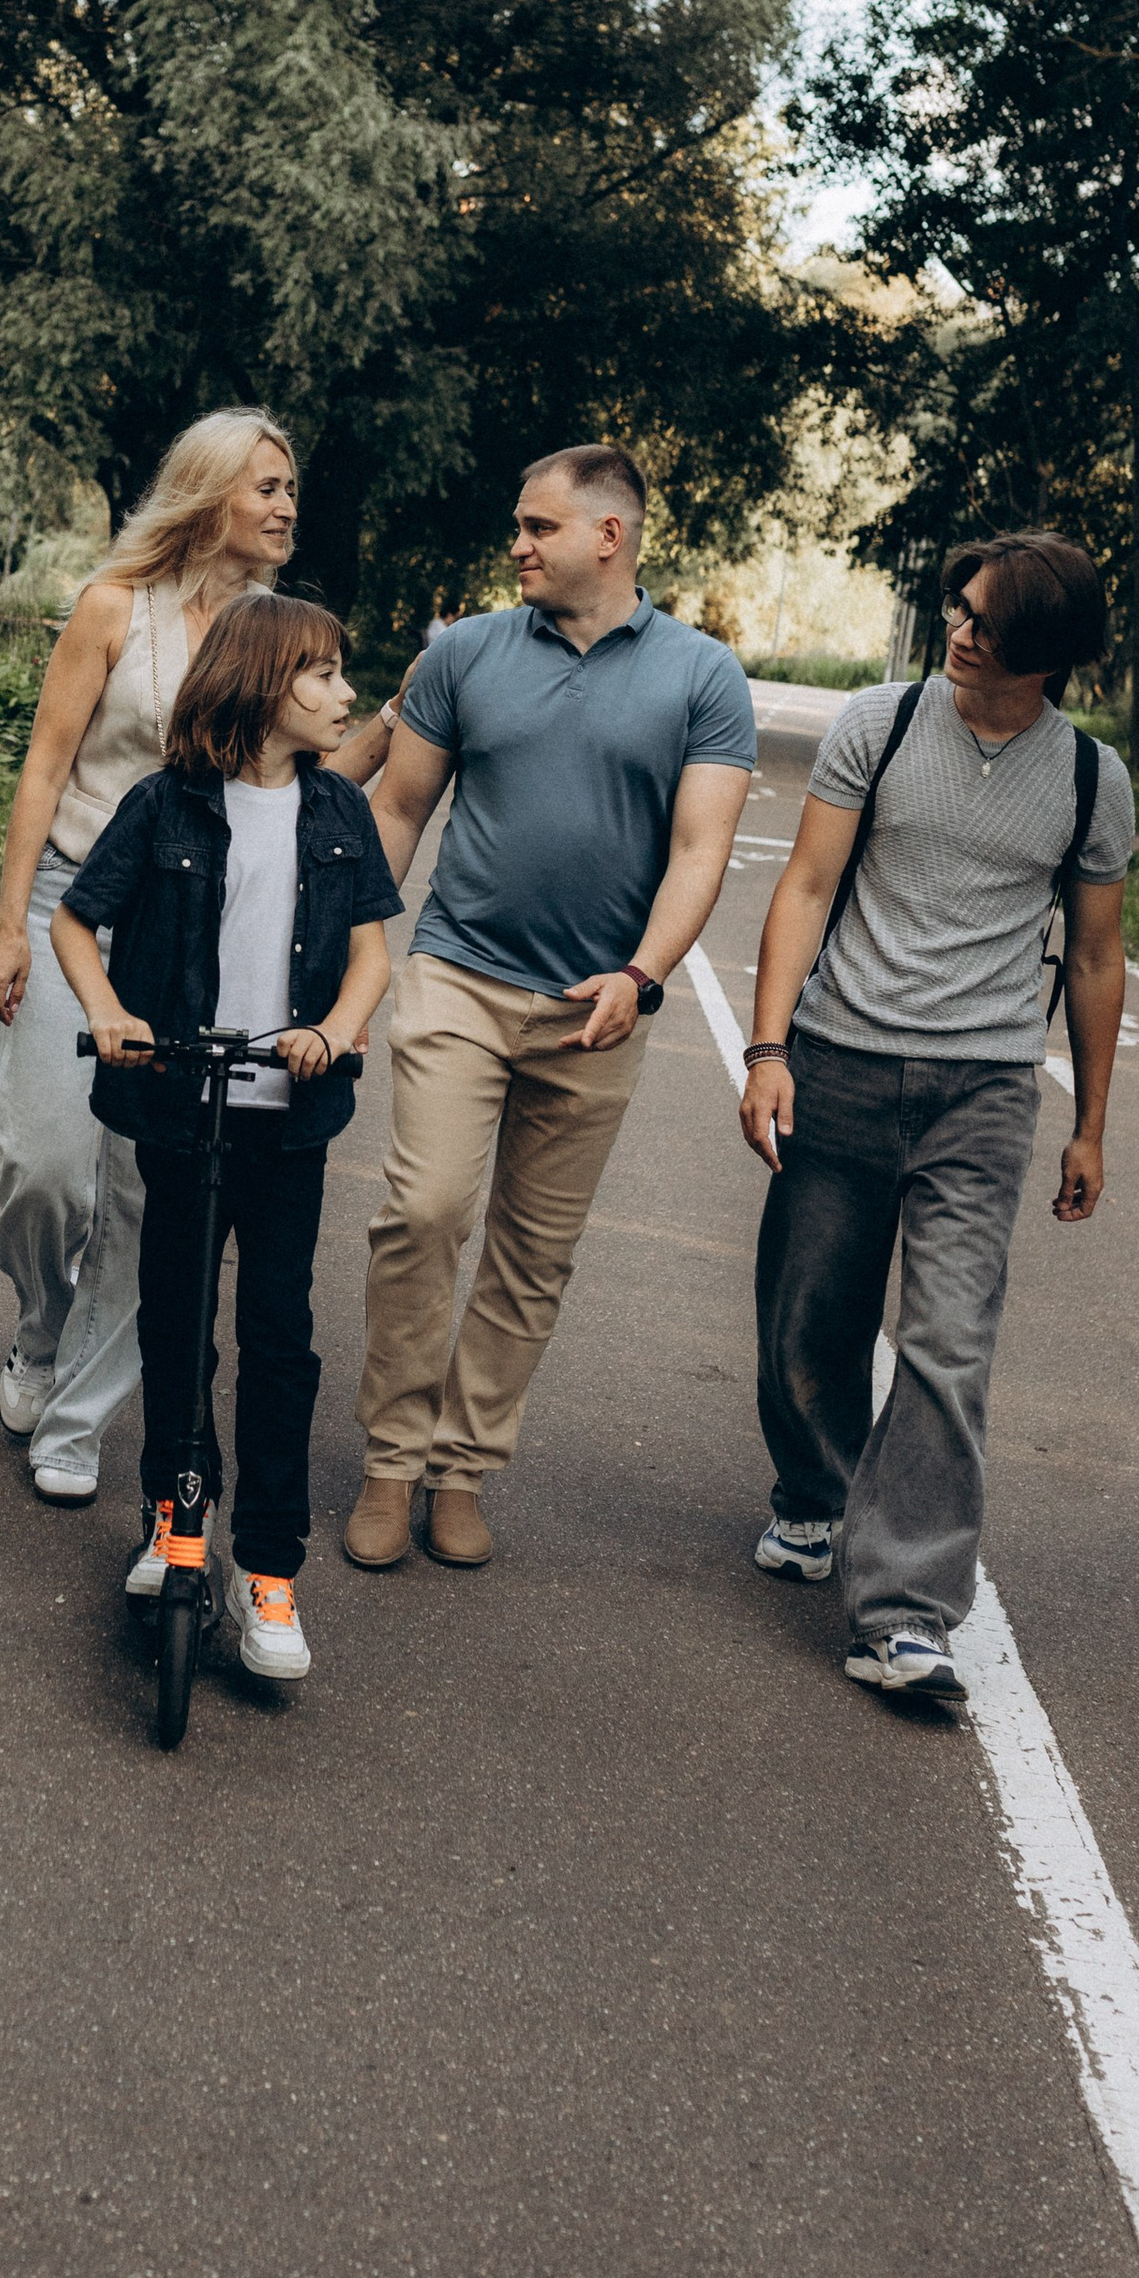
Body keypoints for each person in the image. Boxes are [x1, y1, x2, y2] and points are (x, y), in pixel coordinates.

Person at [347, 443, 756, 1572]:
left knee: (535, 1251)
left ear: (607, 537)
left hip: (596, 1009)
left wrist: (640, 976)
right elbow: (399, 805)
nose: (516, 545)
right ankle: (389, 1459)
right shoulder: (466, 650)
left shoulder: (701, 676)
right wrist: (362, 955)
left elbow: (700, 847)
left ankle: (461, 1466)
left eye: (537, 528)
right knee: (425, 1211)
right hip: (460, 975)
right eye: (519, 528)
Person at [741, 530, 1129, 1710]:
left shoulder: (1086, 779)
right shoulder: (882, 723)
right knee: (810, 1310)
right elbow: (805, 887)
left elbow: (1099, 956)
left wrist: (1091, 1124)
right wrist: (765, 1049)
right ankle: (814, 1493)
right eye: (958, 609)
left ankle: (901, 1613)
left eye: (988, 624)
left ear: (1046, 655)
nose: (959, 632)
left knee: (950, 1342)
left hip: (983, 1088)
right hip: (840, 1060)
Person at [52, 595, 400, 1680]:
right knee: (177, 1325)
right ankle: (172, 1518)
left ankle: (268, 1571)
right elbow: (74, 918)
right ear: (262, 683)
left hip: (287, 1126)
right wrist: (108, 1013)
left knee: (280, 1342)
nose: (347, 694)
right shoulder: (164, 807)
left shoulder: (339, 810)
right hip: (180, 1110)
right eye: (326, 674)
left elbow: (371, 958)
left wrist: (334, 1035)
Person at [0, 410, 301, 1505]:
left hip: (188, 933)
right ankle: (36, 1330)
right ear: (208, 493)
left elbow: (305, 775)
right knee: (48, 1169)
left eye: (289, 485)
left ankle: (73, 1421)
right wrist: (6, 922)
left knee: (144, 1198)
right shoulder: (113, 608)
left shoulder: (276, 633)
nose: (284, 503)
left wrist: (408, 715)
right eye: (264, 485)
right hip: (71, 905)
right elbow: (43, 770)